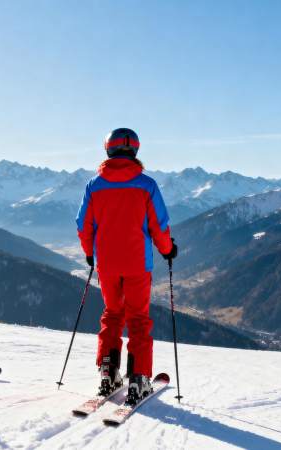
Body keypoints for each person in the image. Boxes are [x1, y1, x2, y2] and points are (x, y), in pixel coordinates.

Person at [75, 128, 178, 405]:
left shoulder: (94, 186)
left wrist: (89, 254)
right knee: (138, 320)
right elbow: (160, 226)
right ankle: (139, 379)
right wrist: (168, 250)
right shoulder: (147, 185)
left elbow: (83, 225)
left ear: (107, 149)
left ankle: (108, 373)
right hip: (137, 264)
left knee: (112, 315)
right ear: (135, 150)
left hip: (107, 265)